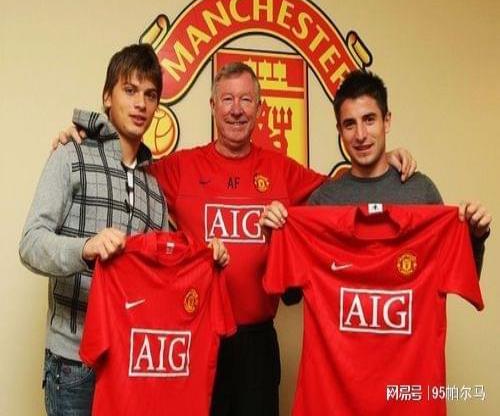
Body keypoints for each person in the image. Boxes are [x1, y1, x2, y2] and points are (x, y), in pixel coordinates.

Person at [54, 63, 416, 416]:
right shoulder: (179, 168)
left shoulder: (282, 170)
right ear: (213, 106)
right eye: (227, 99)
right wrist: (86, 140)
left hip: (257, 344)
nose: (236, 109)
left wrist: (381, 162)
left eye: (246, 100)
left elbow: (345, 193)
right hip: (197, 338)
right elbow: (125, 168)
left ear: (260, 108)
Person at [19, 44, 228, 416]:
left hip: (130, 368)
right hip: (73, 365)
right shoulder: (71, 155)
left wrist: (208, 257)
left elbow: (164, 276)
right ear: (107, 97)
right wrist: (86, 247)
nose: (140, 104)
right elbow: (31, 244)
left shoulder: (155, 187)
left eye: (150, 95)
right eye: (129, 90)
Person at [261, 70, 491, 271]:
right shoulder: (323, 201)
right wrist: (276, 239)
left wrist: (475, 237)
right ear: (339, 130)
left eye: (369, 120)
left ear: (386, 121)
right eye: (350, 124)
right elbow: (292, 294)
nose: (360, 135)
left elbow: (456, 273)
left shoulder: (421, 191)